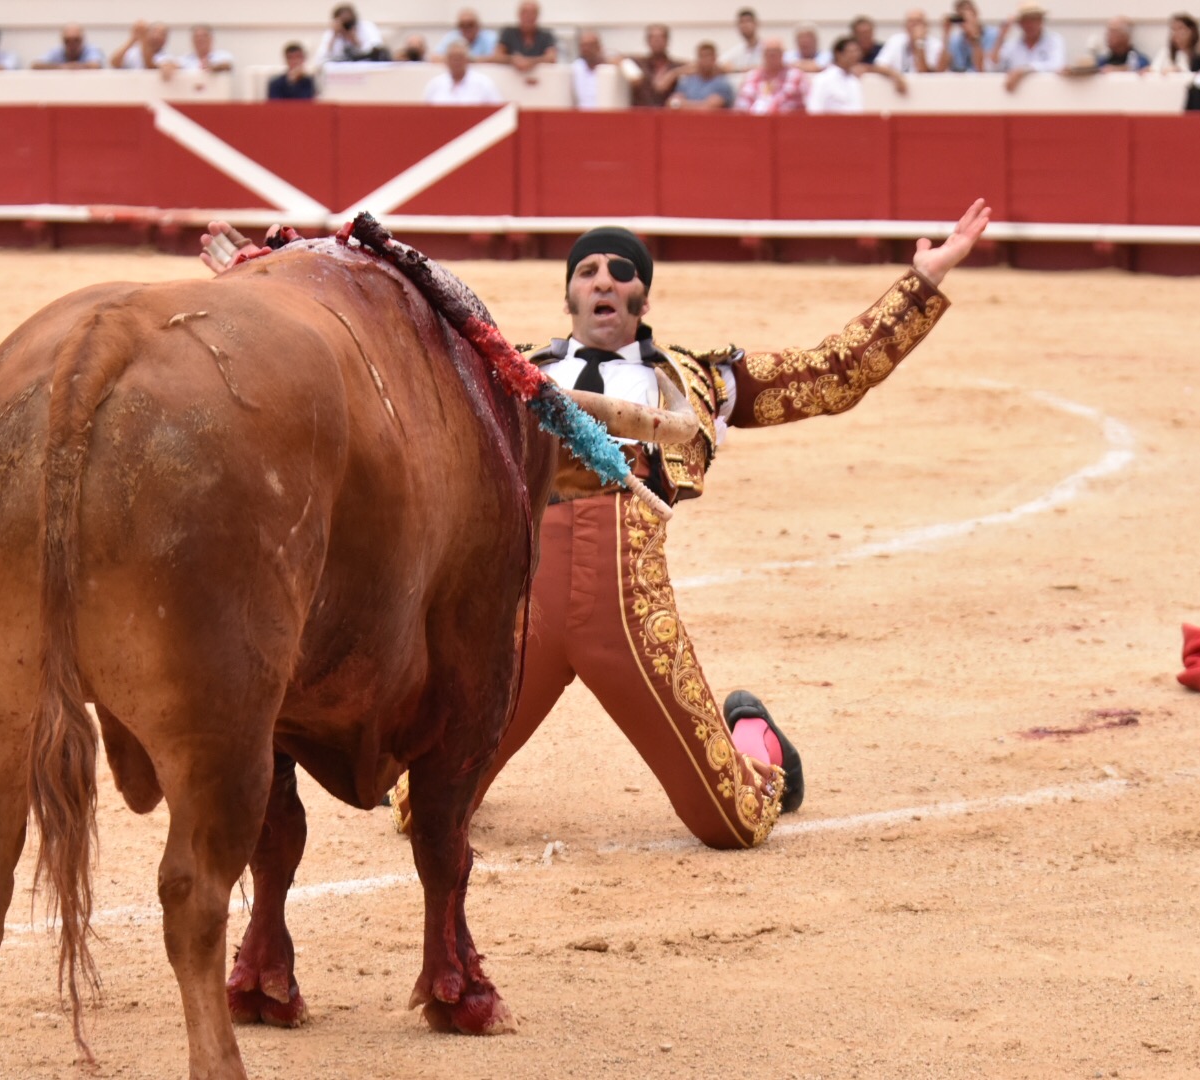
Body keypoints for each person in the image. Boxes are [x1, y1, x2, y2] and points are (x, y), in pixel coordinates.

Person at [183, 202, 984, 849]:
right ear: (569, 294)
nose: (604, 283)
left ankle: (757, 738)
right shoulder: (499, 366)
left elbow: (827, 378)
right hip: (511, 615)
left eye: (622, 273)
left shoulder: (698, 378)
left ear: (643, 297)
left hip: (631, 614)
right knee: (419, 812)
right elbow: (374, 366)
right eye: (589, 273)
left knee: (732, 822)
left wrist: (921, 283)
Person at [992, 2, 1065, 91]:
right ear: (1020, 24)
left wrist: (1023, 71)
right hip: (1017, 99)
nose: (1029, 24)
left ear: (1041, 21)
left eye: (1033, 19)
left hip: (1047, 95)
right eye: (1025, 20)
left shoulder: (1053, 41)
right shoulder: (1012, 45)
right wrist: (1000, 38)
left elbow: (1056, 64)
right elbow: (993, 67)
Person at [734, 37, 807, 113]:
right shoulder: (751, 76)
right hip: (752, 121)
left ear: (782, 54)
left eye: (775, 51)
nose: (772, 55)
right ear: (762, 54)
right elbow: (741, 105)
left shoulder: (796, 76)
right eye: (768, 52)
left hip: (787, 121)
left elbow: (806, 104)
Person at [424, 38, 502, 104]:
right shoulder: (435, 85)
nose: (456, 61)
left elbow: (498, 112)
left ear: (467, 59)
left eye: (459, 57)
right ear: (446, 61)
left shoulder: (484, 84)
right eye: (452, 58)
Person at [668, 40, 736, 109]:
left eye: (708, 56)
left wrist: (683, 104)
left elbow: (709, 107)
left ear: (714, 58)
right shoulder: (687, 82)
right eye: (702, 56)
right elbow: (672, 102)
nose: (705, 60)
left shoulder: (722, 84)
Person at [807, 35, 868, 112]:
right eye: (851, 52)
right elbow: (815, 109)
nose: (855, 55)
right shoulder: (823, 79)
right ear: (838, 54)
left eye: (857, 51)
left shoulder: (854, 80)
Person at [314, 3, 387, 65]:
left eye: (348, 22)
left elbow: (377, 52)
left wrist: (356, 41)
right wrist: (333, 37)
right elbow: (320, 59)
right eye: (343, 22)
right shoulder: (331, 33)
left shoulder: (367, 28)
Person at [629, 23, 681, 107]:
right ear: (647, 41)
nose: (657, 41)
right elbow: (614, 57)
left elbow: (697, 66)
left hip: (667, 115)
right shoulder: (639, 63)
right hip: (641, 114)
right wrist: (630, 72)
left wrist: (673, 74)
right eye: (653, 38)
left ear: (667, 41)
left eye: (660, 37)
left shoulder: (675, 65)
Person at [497, 1, 558, 71]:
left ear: (537, 15)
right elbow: (497, 56)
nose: (528, 16)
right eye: (525, 13)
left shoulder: (546, 35)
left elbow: (551, 58)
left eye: (532, 13)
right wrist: (512, 59)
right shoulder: (508, 33)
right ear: (519, 15)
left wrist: (529, 62)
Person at [877, 8, 945, 72]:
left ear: (926, 26)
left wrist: (919, 43)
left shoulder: (936, 45)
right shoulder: (895, 41)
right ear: (905, 26)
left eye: (918, 21)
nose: (914, 25)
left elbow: (925, 73)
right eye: (910, 21)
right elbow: (880, 65)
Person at [945, 0, 1000, 71]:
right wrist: (946, 34)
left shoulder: (992, 35)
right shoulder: (956, 41)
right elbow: (940, 70)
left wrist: (974, 35)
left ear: (975, 14)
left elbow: (982, 68)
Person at [571, 28, 612, 110]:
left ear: (598, 47)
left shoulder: (609, 68)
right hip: (580, 115)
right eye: (583, 46)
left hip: (605, 114)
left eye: (590, 45)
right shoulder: (575, 68)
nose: (586, 49)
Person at [32, 24, 105, 69]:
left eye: (76, 40)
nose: (72, 44)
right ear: (62, 40)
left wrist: (75, 67)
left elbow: (96, 65)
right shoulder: (57, 51)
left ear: (83, 40)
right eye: (67, 41)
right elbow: (36, 65)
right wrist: (61, 67)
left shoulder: (91, 49)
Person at [721, 7, 763, 71]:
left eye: (748, 21)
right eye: (741, 22)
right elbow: (720, 63)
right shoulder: (737, 50)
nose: (744, 25)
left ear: (756, 24)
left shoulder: (767, 48)